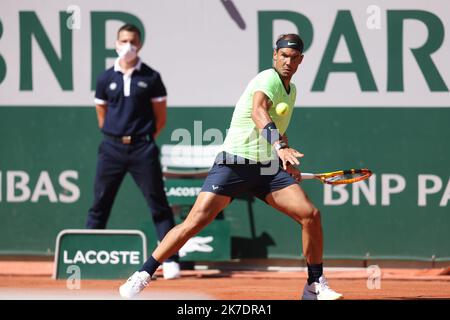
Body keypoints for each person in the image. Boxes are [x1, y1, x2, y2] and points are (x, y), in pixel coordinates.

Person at [119, 33, 343, 300]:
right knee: (194, 222)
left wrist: (285, 157)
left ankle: (314, 283)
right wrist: (280, 148)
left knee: (310, 215)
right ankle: (143, 274)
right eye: (283, 55)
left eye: (294, 58)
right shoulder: (266, 79)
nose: (287, 61)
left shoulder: (291, 90)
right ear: (275, 55)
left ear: (300, 61)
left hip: (266, 169)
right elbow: (258, 112)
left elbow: (276, 128)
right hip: (234, 162)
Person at [86, 24, 180, 280]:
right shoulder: (105, 78)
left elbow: (160, 119)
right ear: (116, 44)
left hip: (142, 147)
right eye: (123, 40)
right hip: (111, 148)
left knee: (158, 204)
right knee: (100, 203)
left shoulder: (151, 77)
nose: (128, 45)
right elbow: (101, 116)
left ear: (139, 45)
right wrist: (117, 135)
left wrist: (141, 137)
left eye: (133, 41)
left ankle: (170, 259)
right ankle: (86, 254)